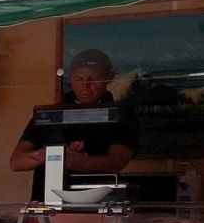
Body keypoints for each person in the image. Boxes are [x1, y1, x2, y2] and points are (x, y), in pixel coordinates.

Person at [9, 47, 136, 200]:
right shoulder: (50, 114)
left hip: (100, 204)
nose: (85, 86)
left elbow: (116, 162)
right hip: (47, 203)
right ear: (70, 79)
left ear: (109, 77)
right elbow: (16, 162)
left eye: (93, 79)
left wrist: (72, 160)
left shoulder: (120, 114)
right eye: (79, 79)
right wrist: (48, 155)